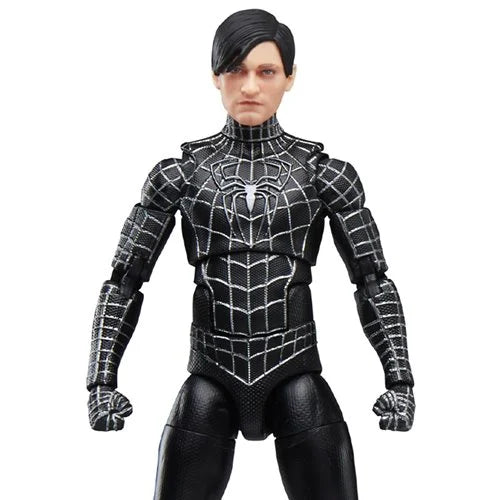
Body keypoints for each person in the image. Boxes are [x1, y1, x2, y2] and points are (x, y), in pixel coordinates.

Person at [86, 9, 415, 500]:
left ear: (290, 77)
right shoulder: (179, 176)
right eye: (235, 70)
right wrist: (100, 382)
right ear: (215, 76)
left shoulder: (326, 176)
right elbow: (123, 282)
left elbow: (373, 281)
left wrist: (400, 381)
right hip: (210, 375)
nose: (250, 87)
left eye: (266, 71)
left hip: (295, 370)